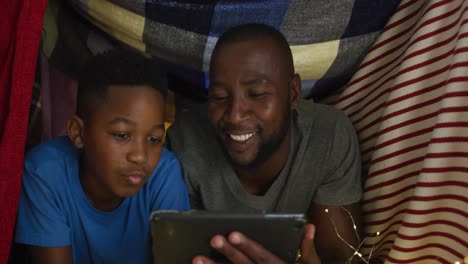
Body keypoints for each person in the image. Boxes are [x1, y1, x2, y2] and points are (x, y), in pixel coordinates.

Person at [167, 24, 363, 264]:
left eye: (257, 94)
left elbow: (344, 258)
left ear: (293, 94)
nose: (234, 116)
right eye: (219, 97)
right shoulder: (183, 144)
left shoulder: (328, 136)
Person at [14, 49, 190, 264]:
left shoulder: (164, 173)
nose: (140, 156)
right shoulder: (45, 173)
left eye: (153, 139)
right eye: (122, 135)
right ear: (78, 133)